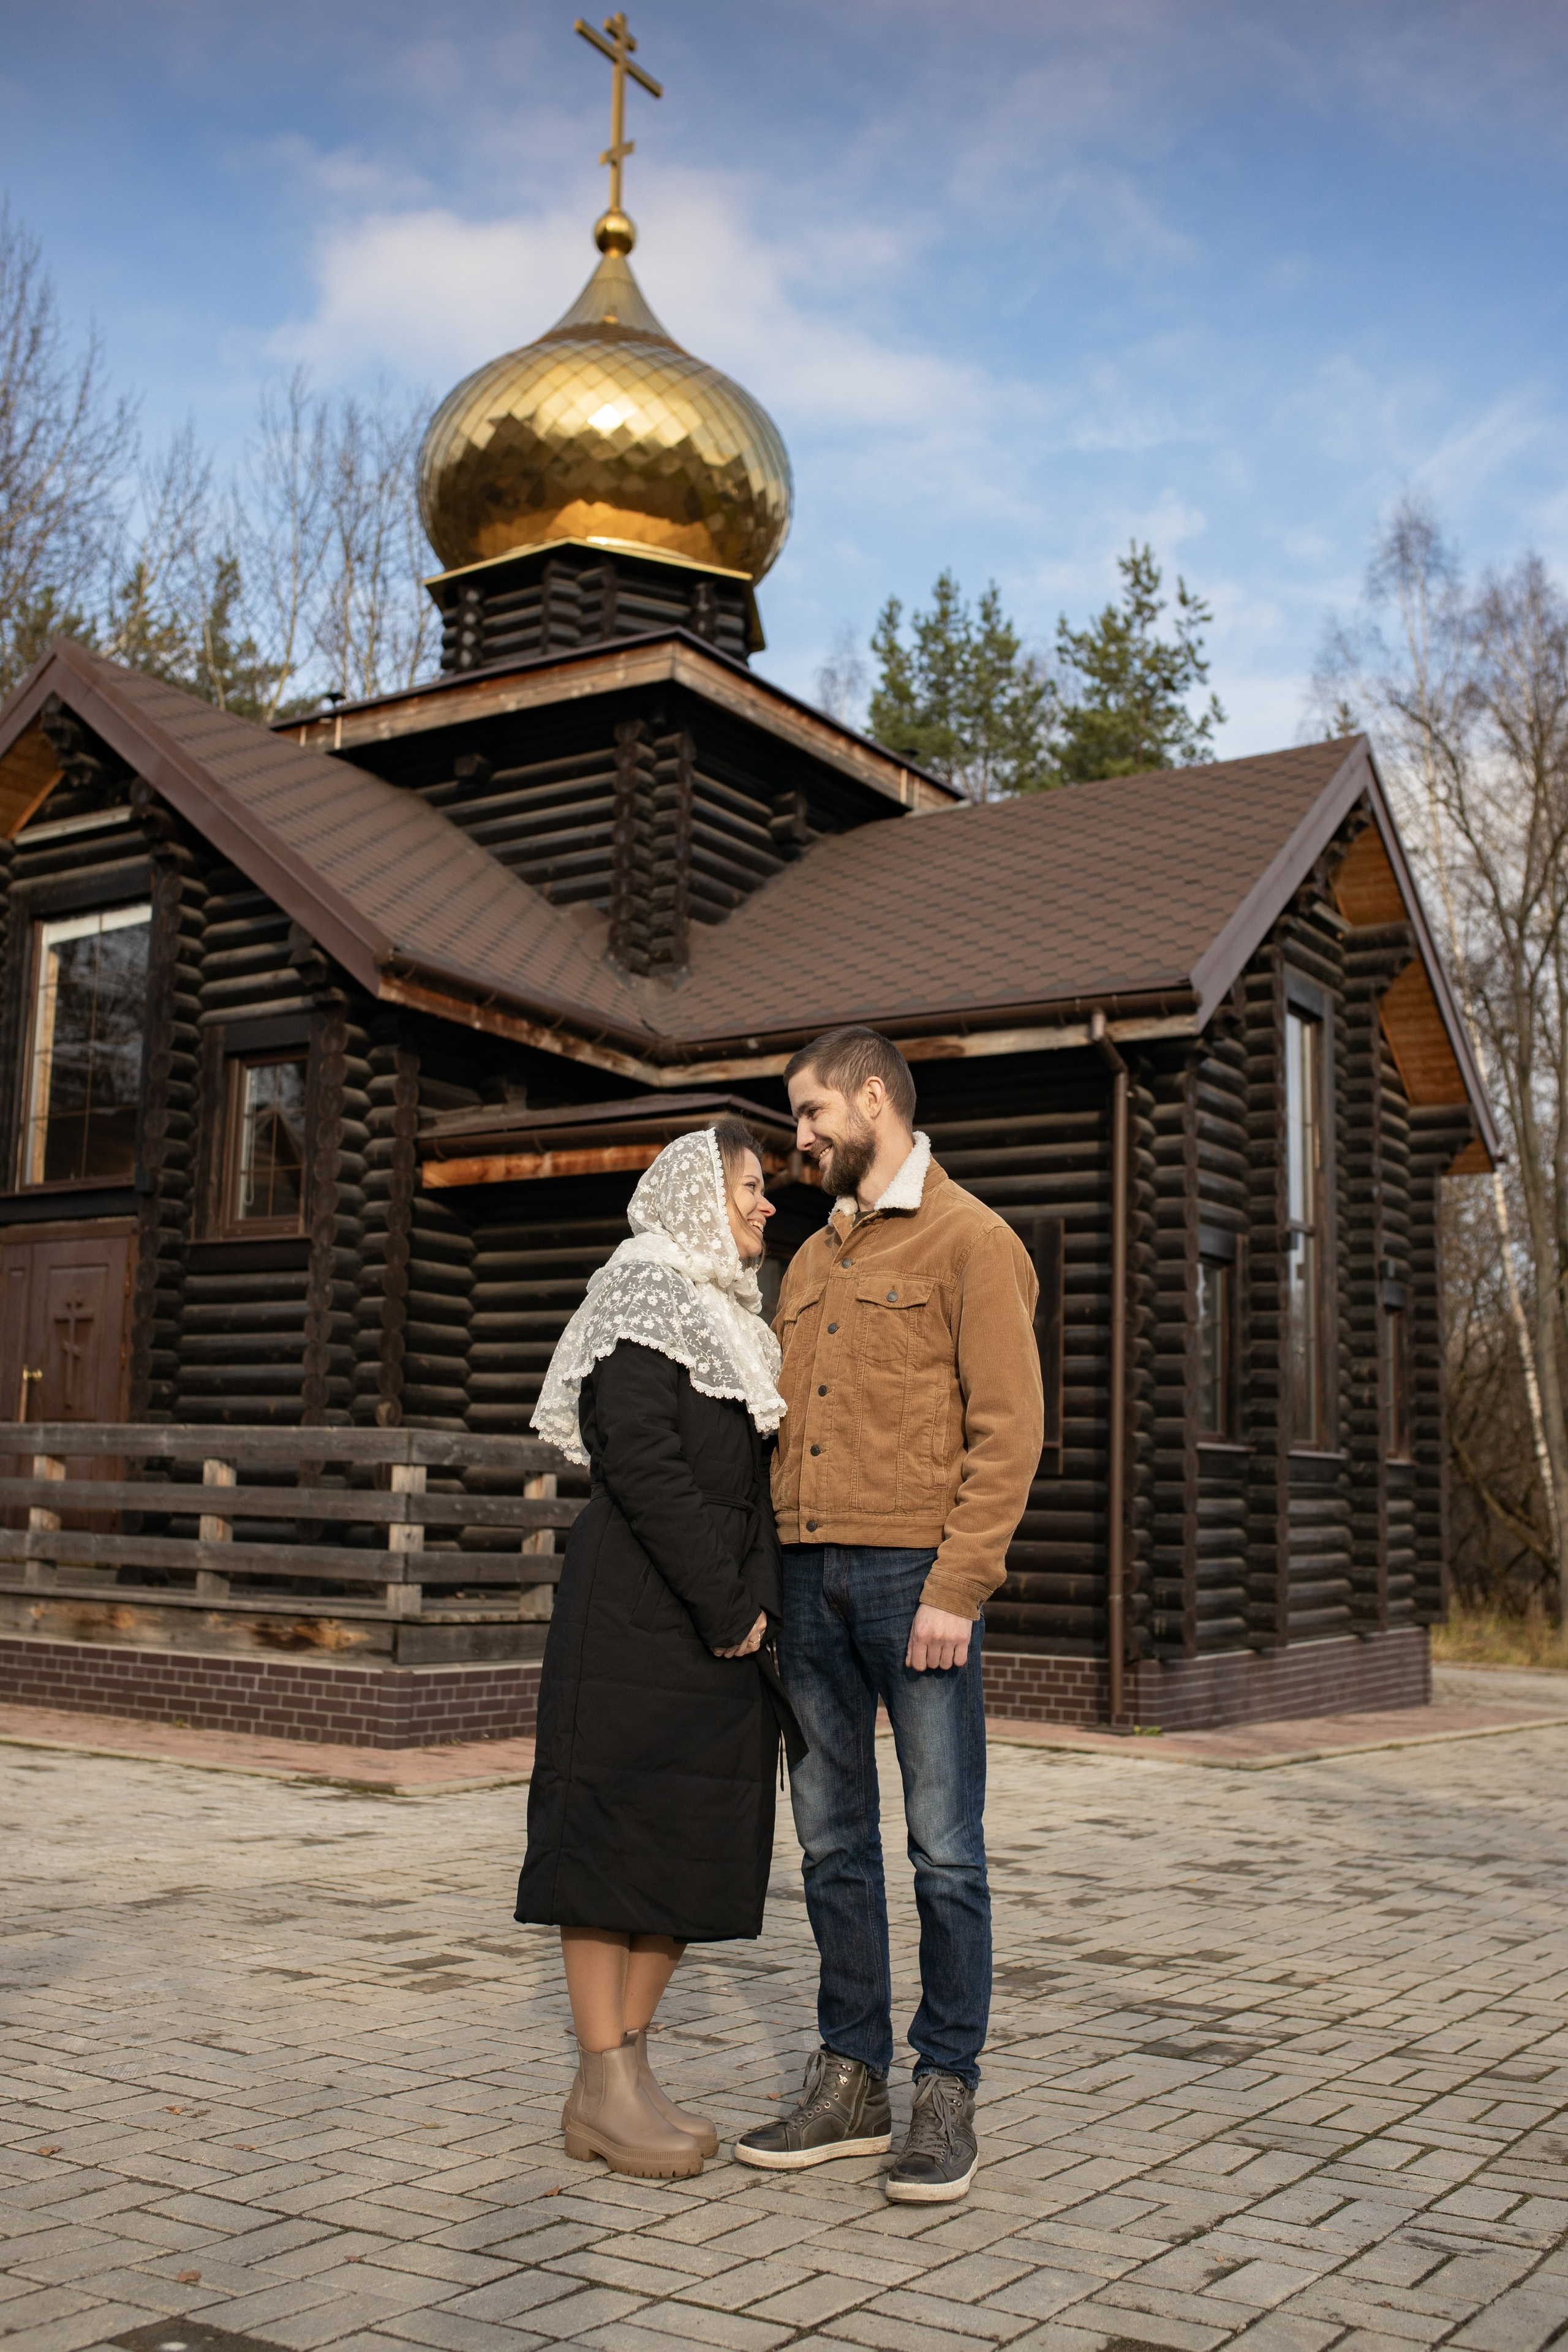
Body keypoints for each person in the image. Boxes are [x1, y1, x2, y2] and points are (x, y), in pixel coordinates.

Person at [736, 1028, 1043, 2203]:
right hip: (807, 1580)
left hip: (916, 1583)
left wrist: (958, 1589)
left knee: (945, 1851)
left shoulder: (974, 1241)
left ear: (874, 1099)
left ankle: (946, 2088)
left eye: (812, 1113)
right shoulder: (812, 1259)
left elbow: (1008, 1434)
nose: (801, 1136)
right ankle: (851, 2079)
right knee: (829, 1844)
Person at [519, 1120, 799, 2179]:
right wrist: (730, 1604)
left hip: (717, 1618)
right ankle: (602, 2081)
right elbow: (640, 1461)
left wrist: (757, 1604)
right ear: (694, 1196)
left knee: (689, 1844)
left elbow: (751, 1487)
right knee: (613, 1843)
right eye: (750, 1185)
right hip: (636, 1612)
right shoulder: (641, 1294)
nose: (767, 1203)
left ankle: (625, 2072)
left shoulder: (734, 1320)